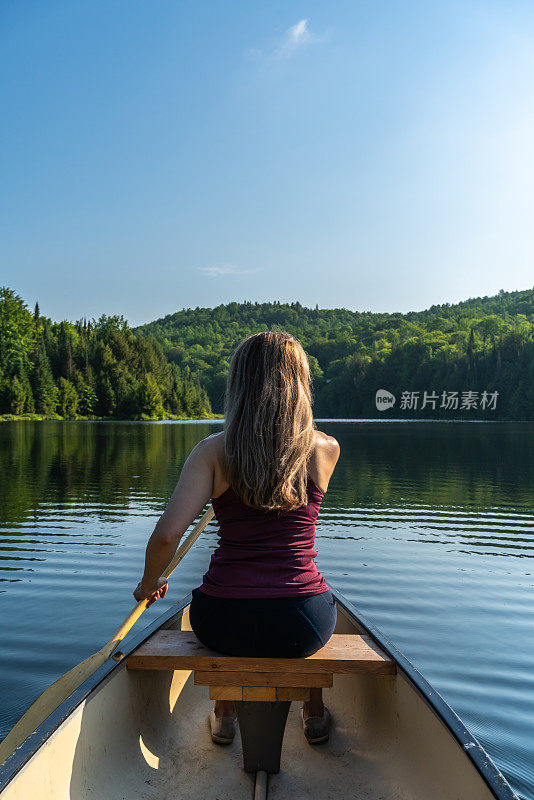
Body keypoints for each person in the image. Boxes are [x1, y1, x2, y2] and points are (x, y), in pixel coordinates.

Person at [134, 330, 340, 745]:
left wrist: (147, 584)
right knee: (318, 594)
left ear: (239, 384)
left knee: (220, 612)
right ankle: (314, 713)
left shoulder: (212, 452)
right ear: (300, 384)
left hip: (223, 621)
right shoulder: (326, 449)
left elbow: (166, 536)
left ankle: (224, 714)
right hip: (302, 622)